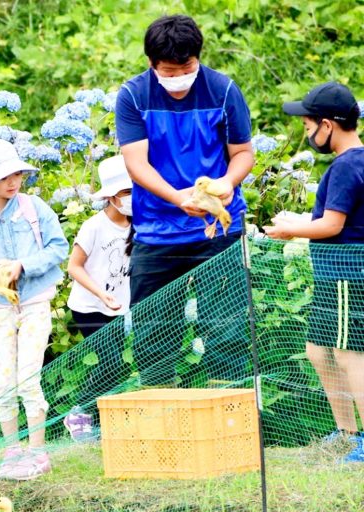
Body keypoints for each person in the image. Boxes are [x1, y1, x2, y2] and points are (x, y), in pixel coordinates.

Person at [115, 15, 255, 385]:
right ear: (151, 64)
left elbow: (242, 152)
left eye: (186, 68)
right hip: (157, 233)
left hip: (219, 232)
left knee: (228, 333)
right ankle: (164, 425)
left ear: (198, 59)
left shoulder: (223, 91)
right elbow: (135, 163)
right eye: (168, 71)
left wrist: (227, 181)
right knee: (152, 334)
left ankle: (230, 421)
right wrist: (178, 199)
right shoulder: (133, 95)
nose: (178, 77)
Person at [266, 81, 364, 462]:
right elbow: (338, 219)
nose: (308, 134)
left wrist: (289, 229)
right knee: (318, 351)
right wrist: (302, 219)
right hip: (333, 274)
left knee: (349, 355)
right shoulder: (355, 162)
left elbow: (332, 227)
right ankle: (345, 432)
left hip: (346, 276)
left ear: (328, 125)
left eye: (308, 127)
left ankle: (362, 438)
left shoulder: (346, 165)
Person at [0, 139, 69, 481]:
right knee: (4, 380)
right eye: (5, 176)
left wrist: (24, 266)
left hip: (35, 302)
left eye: (17, 173)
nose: (13, 181)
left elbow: (58, 247)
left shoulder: (34, 208)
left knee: (28, 378)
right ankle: (12, 452)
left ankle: (38, 452)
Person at [64, 154, 134, 437]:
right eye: (126, 192)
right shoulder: (94, 226)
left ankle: (100, 419)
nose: (132, 198)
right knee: (111, 360)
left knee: (116, 365)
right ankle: (79, 413)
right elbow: (74, 267)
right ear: (111, 197)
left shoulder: (139, 224)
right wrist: (101, 295)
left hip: (119, 307)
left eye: (135, 191)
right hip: (90, 306)